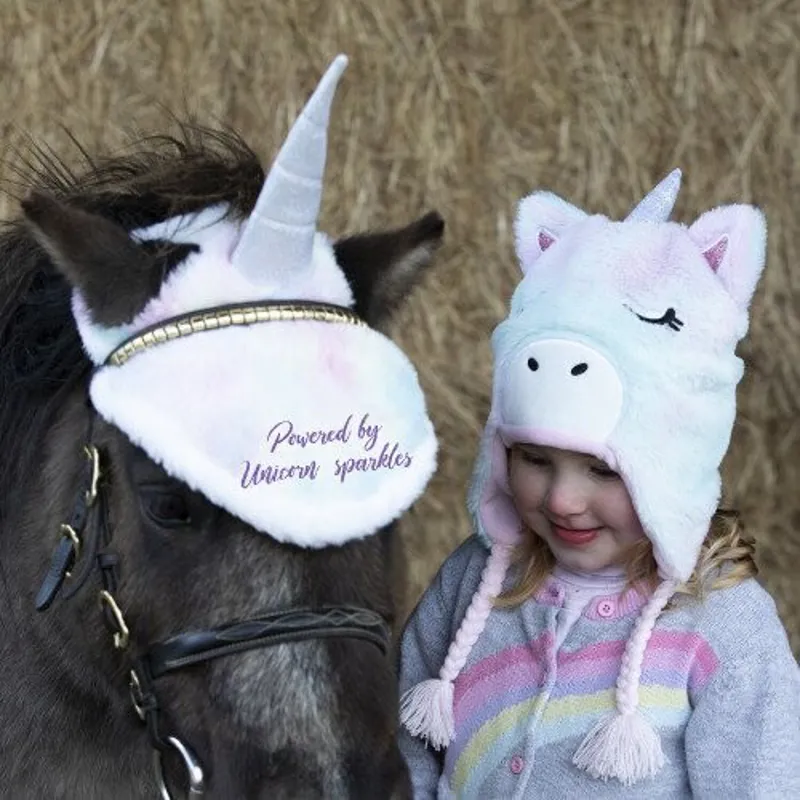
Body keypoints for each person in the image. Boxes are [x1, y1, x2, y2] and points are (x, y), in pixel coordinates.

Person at [397, 169, 800, 798]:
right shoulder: (471, 585)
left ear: (674, 466)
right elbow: (406, 761)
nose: (562, 500)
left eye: (605, 470)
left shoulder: (723, 625)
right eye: (533, 459)